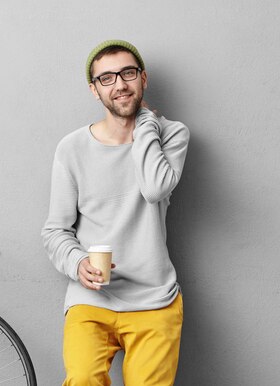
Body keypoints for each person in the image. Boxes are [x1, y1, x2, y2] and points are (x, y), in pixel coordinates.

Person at [42, 39, 190, 386]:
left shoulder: (173, 135)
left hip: (155, 298)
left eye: (127, 73)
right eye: (106, 78)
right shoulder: (72, 148)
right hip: (92, 299)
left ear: (143, 78)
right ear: (94, 91)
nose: (120, 84)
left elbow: (154, 188)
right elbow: (55, 230)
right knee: (82, 379)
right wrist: (77, 262)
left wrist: (147, 124)